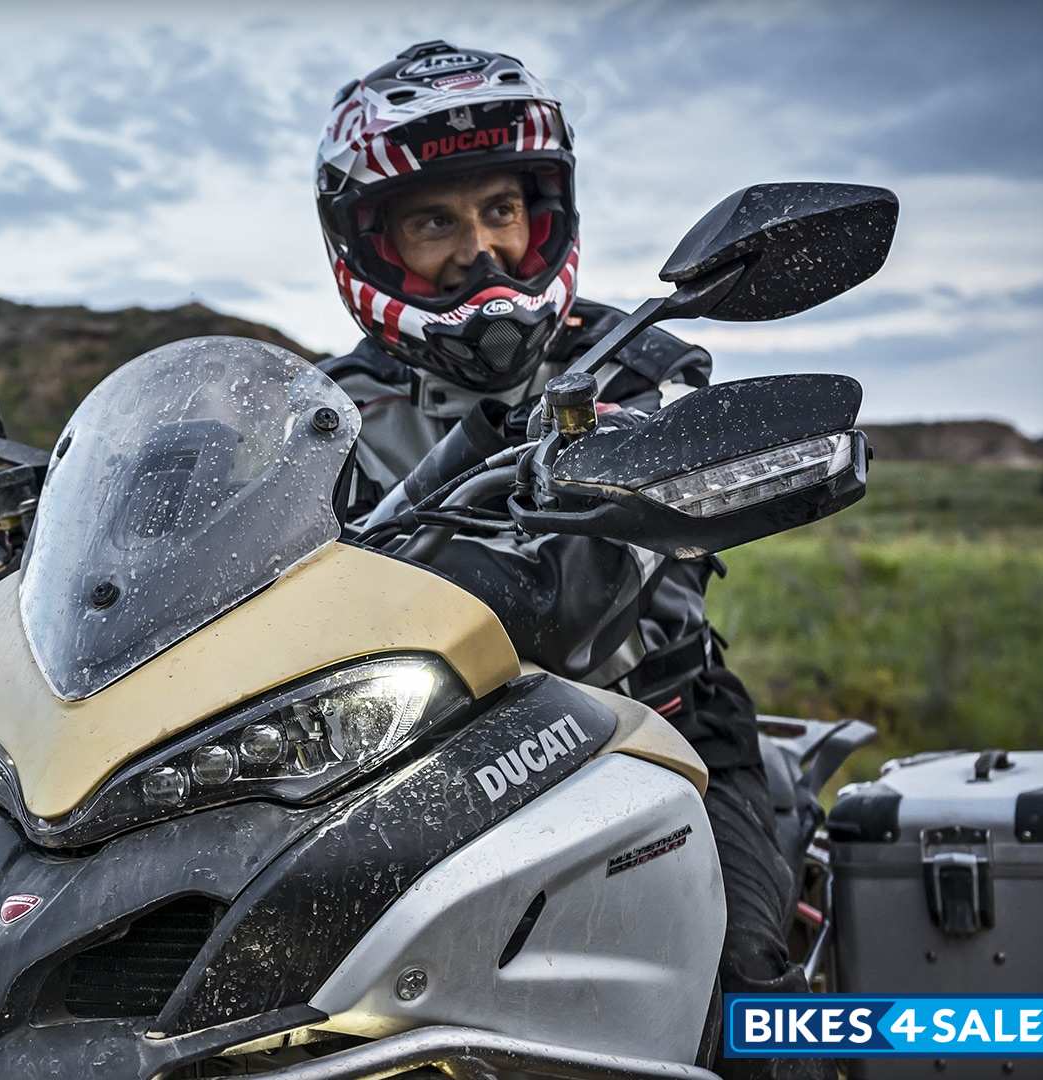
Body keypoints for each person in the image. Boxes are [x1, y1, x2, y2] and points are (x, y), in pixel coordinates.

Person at [313, 41, 822, 1079]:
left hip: (657, 734)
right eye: (436, 222)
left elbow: (582, 601)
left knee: (747, 1012)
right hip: (413, 763)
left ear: (542, 216)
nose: (482, 251)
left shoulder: (633, 366)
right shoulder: (322, 416)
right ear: (375, 245)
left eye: (501, 210)